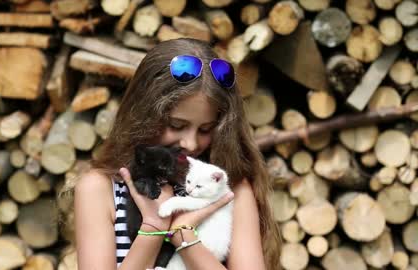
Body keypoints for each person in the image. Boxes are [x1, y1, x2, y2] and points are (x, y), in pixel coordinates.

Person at [64, 38, 281, 270]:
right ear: (143, 115)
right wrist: (154, 226)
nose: (190, 143)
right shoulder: (99, 189)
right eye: (176, 125)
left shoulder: (229, 190)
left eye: (206, 129)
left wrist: (184, 237)